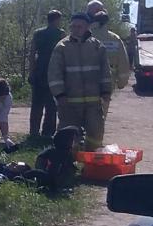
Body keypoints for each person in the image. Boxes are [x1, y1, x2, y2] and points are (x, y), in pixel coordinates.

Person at [48, 13, 112, 149]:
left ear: (87, 27)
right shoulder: (62, 47)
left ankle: (92, 163)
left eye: (79, 26)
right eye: (73, 26)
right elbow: (54, 74)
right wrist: (60, 95)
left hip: (93, 103)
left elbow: (105, 72)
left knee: (95, 134)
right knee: (68, 135)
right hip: (69, 103)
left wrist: (106, 91)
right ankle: (68, 164)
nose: (76, 29)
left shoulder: (97, 46)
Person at [86, 0, 131, 117]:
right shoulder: (114, 38)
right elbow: (123, 62)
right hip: (108, 81)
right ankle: (96, 133)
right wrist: (122, 82)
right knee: (101, 113)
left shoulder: (82, 36)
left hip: (84, 80)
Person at [26, 10, 66, 140]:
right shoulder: (61, 34)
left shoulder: (38, 33)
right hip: (54, 71)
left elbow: (32, 54)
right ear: (56, 20)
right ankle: (48, 133)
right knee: (51, 105)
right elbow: (65, 55)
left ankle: (33, 132)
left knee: (36, 104)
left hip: (39, 70)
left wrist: (31, 72)